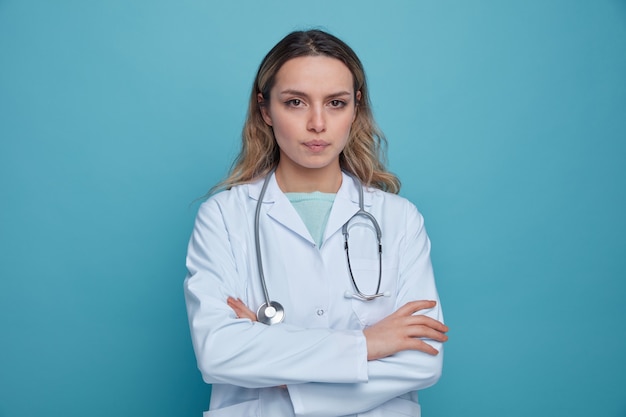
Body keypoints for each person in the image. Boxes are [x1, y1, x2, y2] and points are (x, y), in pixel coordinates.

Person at [184, 29, 448, 417]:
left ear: (355, 108)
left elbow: (422, 361)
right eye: (295, 102)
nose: (318, 123)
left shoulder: (399, 218)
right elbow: (218, 353)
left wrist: (277, 371)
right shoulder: (223, 216)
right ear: (265, 110)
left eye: (336, 103)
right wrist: (368, 344)